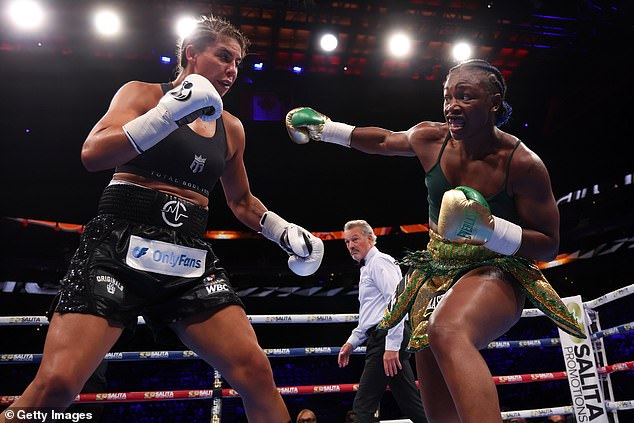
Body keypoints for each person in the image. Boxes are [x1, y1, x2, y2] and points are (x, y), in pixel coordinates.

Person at [0, 15, 325, 423]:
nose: (232, 70)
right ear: (191, 53)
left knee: (257, 373)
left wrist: (283, 231)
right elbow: (93, 153)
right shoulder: (142, 94)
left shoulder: (232, 128)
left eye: (238, 63)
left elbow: (241, 201)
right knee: (58, 386)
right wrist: (168, 113)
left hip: (187, 255)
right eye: (223, 56)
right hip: (119, 241)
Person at [285, 59, 585, 423]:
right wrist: (326, 129)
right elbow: (383, 140)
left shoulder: (522, 164)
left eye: (465, 96)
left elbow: (549, 244)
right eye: (447, 96)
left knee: (448, 330)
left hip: (496, 268)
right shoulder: (432, 138)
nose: (452, 105)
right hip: (435, 271)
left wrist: (490, 229)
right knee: (432, 369)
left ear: (494, 102)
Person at [339, 220, 428, 423]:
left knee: (363, 406)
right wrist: (352, 342)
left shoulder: (379, 262)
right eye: (346, 242)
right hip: (382, 337)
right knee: (412, 405)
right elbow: (369, 315)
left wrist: (392, 346)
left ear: (370, 238)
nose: (350, 245)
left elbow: (397, 303)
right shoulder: (368, 267)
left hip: (385, 338)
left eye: (355, 239)